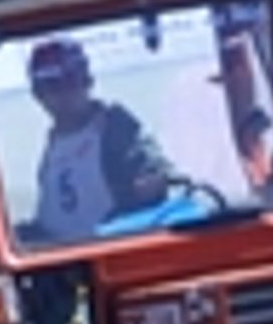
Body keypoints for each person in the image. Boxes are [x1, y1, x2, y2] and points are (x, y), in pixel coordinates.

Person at [24, 38, 177, 244]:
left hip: (109, 251)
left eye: (71, 81)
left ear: (87, 81)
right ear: (37, 95)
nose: (63, 94)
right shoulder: (53, 144)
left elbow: (155, 173)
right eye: (51, 87)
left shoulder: (115, 127)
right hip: (60, 259)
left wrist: (148, 182)